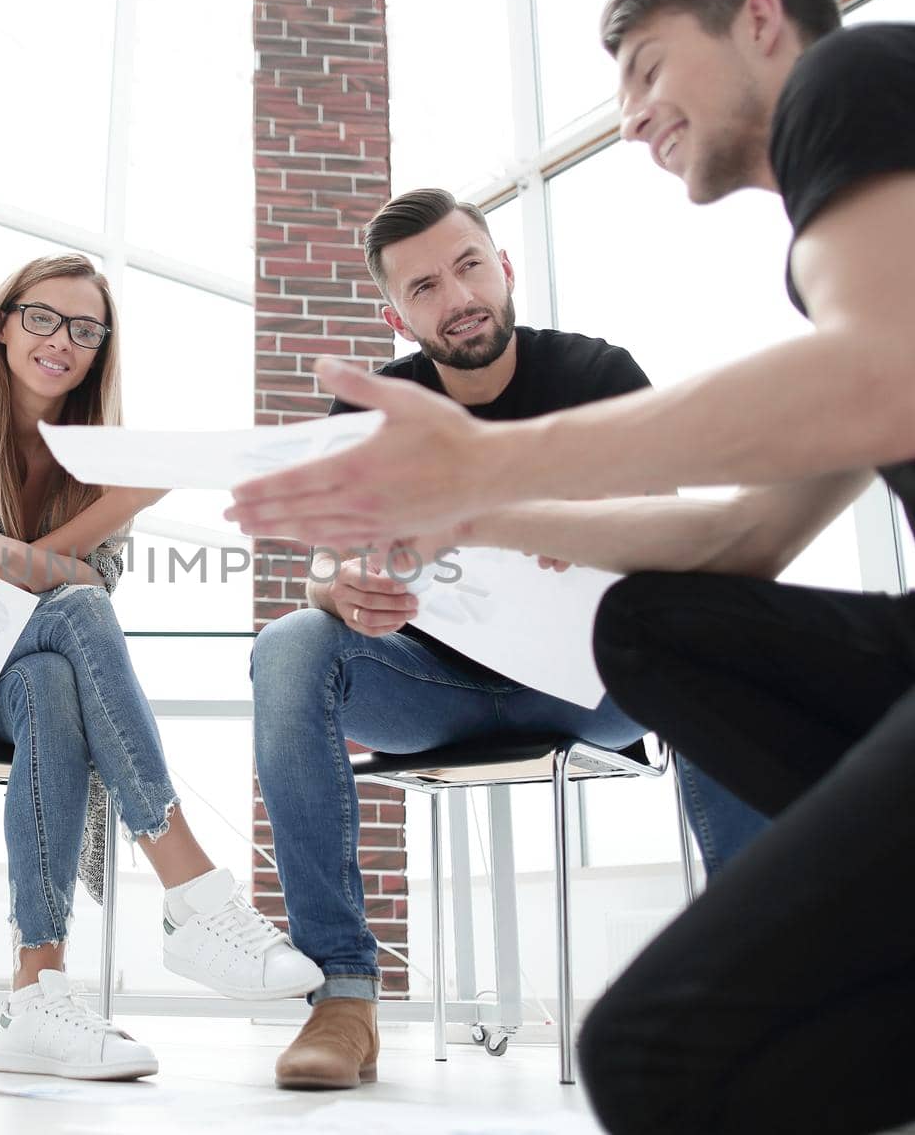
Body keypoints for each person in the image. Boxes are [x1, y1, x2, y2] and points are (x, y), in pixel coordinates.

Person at [227, 0, 915, 1131]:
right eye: (617, 86)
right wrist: (462, 519)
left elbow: (875, 386)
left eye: (647, 67)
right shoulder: (877, 270)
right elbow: (746, 538)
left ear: (760, 18)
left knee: (654, 1055)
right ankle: (344, 991)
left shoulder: (857, 80)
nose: (630, 114)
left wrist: (486, 475)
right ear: (397, 315)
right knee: (658, 623)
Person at [251, 187, 763, 1091]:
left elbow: (669, 538)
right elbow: (318, 569)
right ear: (397, 313)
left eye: (468, 267)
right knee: (292, 639)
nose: (457, 298)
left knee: (704, 629)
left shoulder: (599, 375)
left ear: (504, 268)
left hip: (583, 684)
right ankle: (344, 995)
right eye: (425, 288)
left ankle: (772, 974)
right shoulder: (373, 414)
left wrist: (587, 533)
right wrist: (340, 589)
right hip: (433, 688)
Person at [0, 253, 323, 1083]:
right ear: (4, 321)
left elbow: (91, 583)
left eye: (86, 329)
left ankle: (36, 1000)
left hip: (16, 681)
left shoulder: (93, 459)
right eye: (42, 317)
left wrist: (40, 537)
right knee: (73, 615)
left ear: (101, 349)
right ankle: (192, 894)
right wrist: (124, 506)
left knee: (53, 676)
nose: (62, 341)